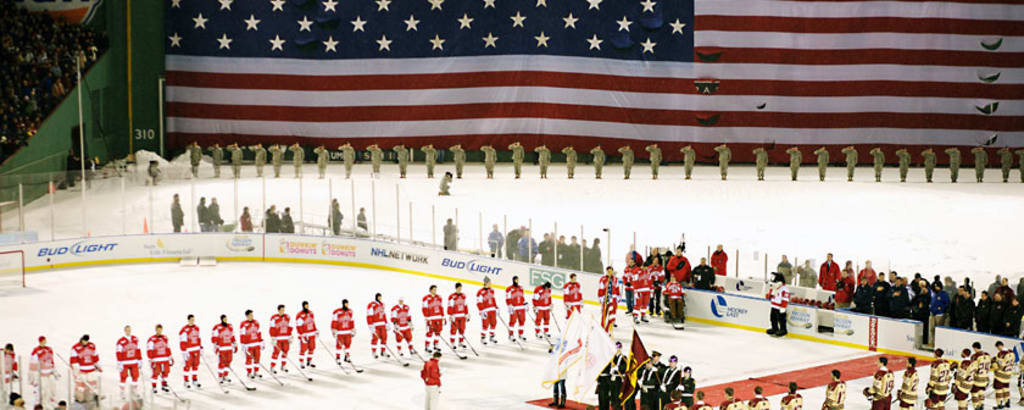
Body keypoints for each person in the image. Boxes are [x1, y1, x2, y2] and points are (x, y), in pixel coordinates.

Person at [29, 336, 56, 408]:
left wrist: (54, 370)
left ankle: (50, 402)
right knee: (43, 390)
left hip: (49, 373)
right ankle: (43, 404)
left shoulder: (49, 349)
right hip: (41, 375)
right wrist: (35, 377)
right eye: (43, 340)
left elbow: (51, 360)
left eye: (45, 340)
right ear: (40, 341)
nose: (44, 342)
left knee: (51, 388)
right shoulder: (36, 350)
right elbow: (33, 364)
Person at [115, 325, 141, 399]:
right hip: (125, 362)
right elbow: (118, 352)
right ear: (125, 331)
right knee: (123, 376)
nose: (128, 331)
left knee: (135, 376)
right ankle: (122, 392)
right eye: (127, 330)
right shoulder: (121, 341)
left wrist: (140, 359)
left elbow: (138, 350)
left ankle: (134, 390)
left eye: (129, 330)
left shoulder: (135, 339)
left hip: (134, 361)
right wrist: (119, 362)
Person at [146, 324, 173, 393]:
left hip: (165, 358)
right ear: (156, 330)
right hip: (156, 359)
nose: (159, 331)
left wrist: (170, 357)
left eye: (160, 330)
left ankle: (164, 385)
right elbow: (149, 350)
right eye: (158, 330)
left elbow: (168, 348)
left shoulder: (165, 338)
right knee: (156, 373)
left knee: (166, 372)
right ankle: (154, 386)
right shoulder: (152, 339)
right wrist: (151, 360)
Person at [211, 315, 237, 384]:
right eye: (224, 319)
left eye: (226, 318)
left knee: (228, 361)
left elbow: (232, 336)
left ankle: (225, 375)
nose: (225, 320)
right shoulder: (217, 327)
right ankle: (220, 377)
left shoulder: (230, 326)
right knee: (222, 363)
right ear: (221, 319)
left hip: (229, 347)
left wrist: (235, 344)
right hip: (221, 348)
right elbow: (214, 337)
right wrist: (215, 346)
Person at [179, 315, 202, 388]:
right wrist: (184, 351)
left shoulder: (197, 328)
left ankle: (194, 380)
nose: (192, 321)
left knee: (195, 365)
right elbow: (182, 341)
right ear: (188, 320)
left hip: (196, 349)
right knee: (187, 366)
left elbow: (198, 338)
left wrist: (200, 347)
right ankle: (186, 381)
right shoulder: (185, 330)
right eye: (191, 320)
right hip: (189, 350)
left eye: (193, 319)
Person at [239, 311, 263, 380]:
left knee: (257, 358)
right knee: (249, 359)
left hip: (256, 344)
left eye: (252, 315)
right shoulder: (243, 324)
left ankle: (256, 371)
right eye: (250, 315)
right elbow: (242, 335)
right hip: (249, 345)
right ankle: (249, 373)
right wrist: (243, 344)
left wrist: (261, 341)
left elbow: (259, 332)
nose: (252, 316)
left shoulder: (256, 322)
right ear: (247, 316)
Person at [269, 305, 292, 373]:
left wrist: (290, 335)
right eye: (281, 310)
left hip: (285, 338)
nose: (283, 311)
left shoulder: (287, 317)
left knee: (285, 351)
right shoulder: (274, 318)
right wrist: (273, 338)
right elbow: (272, 328)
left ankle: (283, 366)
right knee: (276, 352)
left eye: (283, 310)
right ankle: (272, 366)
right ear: (278, 310)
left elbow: (289, 327)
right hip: (277, 338)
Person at [422, 286, 445, 354]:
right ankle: (427, 346)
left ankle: (436, 344)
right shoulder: (426, 298)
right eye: (434, 289)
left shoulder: (439, 297)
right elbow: (424, 308)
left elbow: (441, 307)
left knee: (438, 332)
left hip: (438, 317)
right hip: (431, 318)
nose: (435, 291)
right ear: (430, 290)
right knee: (429, 332)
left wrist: (443, 316)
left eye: (436, 289)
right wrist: (427, 317)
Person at [367, 293, 390, 359]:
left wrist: (386, 323)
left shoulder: (382, 304)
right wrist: (370, 325)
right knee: (375, 338)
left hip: (382, 324)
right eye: (379, 297)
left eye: (380, 297)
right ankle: (374, 352)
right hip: (375, 325)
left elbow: (384, 314)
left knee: (384, 337)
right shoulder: (372, 305)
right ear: (376, 297)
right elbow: (369, 316)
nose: (380, 298)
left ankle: (383, 351)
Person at [597, 267, 621, 332]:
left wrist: (618, 296)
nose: (610, 272)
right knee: (604, 312)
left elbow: (617, 288)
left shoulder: (615, 279)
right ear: (606, 271)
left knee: (613, 311)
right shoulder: (603, 279)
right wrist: (600, 297)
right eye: (608, 271)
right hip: (606, 298)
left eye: (611, 271)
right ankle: (602, 326)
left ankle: (611, 323)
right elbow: (600, 289)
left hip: (613, 298)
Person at [766, 273, 790, 337]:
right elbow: (769, 295)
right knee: (772, 318)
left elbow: (785, 299)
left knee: (781, 319)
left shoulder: (784, 289)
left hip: (780, 307)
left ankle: (783, 330)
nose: (772, 283)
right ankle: (774, 328)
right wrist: (769, 295)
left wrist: (783, 307)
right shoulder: (774, 288)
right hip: (773, 306)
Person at [991, 341, 1013, 409]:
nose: (998, 349)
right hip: (1008, 375)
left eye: (997, 347)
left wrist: (994, 363)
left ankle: (999, 404)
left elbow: (1000, 366)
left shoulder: (1001, 353)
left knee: (998, 390)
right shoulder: (1011, 353)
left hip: (1000, 375)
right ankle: (1007, 402)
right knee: (1006, 388)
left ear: (999, 346)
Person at [970, 342, 991, 410]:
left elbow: (972, 368)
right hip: (985, 377)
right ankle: (981, 404)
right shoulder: (987, 355)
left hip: (977, 378)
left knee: (974, 393)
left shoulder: (975, 356)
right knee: (981, 391)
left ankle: (976, 407)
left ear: (975, 348)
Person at [447, 283, 469, 350]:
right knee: (453, 329)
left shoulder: (463, 296)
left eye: (461, 288)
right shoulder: (452, 296)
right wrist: (451, 315)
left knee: (462, 329)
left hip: (462, 315)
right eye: (459, 288)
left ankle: (461, 342)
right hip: (455, 316)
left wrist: (466, 314)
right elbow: (450, 306)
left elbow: (465, 305)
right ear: (456, 288)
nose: (460, 289)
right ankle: (452, 343)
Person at [506, 276, 527, 341]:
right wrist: (509, 305)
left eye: (518, 280)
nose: (517, 281)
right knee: (512, 321)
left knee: (522, 321)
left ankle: (521, 334)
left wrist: (525, 302)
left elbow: (522, 296)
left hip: (521, 307)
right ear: (513, 280)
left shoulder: (521, 287)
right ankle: (511, 335)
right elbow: (507, 298)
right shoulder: (509, 289)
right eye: (516, 280)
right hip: (514, 308)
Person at [477, 277, 498, 344]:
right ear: (486, 283)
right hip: (485, 311)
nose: (491, 283)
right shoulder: (480, 292)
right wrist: (482, 310)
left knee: (494, 323)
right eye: (489, 282)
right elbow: (479, 302)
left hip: (492, 310)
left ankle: (492, 336)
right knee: (485, 325)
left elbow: (493, 299)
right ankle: (483, 338)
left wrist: (496, 307)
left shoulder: (492, 290)